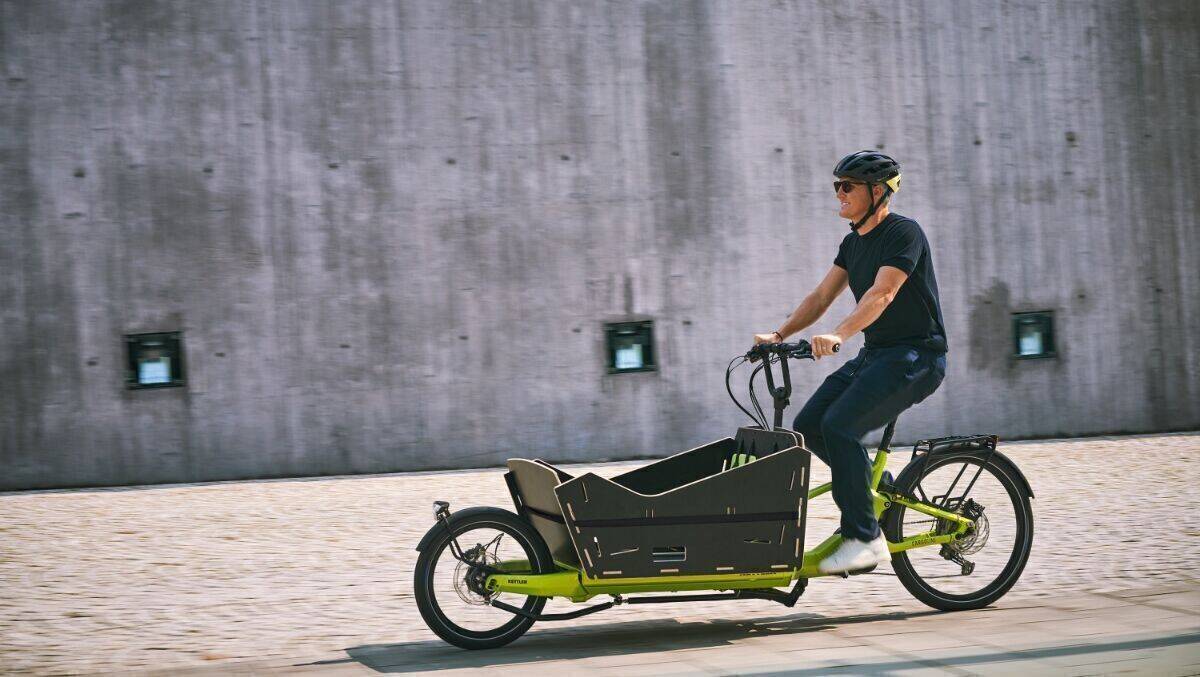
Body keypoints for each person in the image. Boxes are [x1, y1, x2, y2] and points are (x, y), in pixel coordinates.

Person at [753, 150, 948, 574]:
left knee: (841, 426)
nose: (838, 193)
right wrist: (780, 336)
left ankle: (864, 538)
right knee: (809, 426)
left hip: (916, 356)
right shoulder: (852, 242)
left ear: (877, 192)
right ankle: (872, 489)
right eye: (836, 185)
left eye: (848, 186)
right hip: (878, 354)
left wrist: (839, 335)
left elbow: (883, 293)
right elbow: (822, 297)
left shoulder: (903, 234)